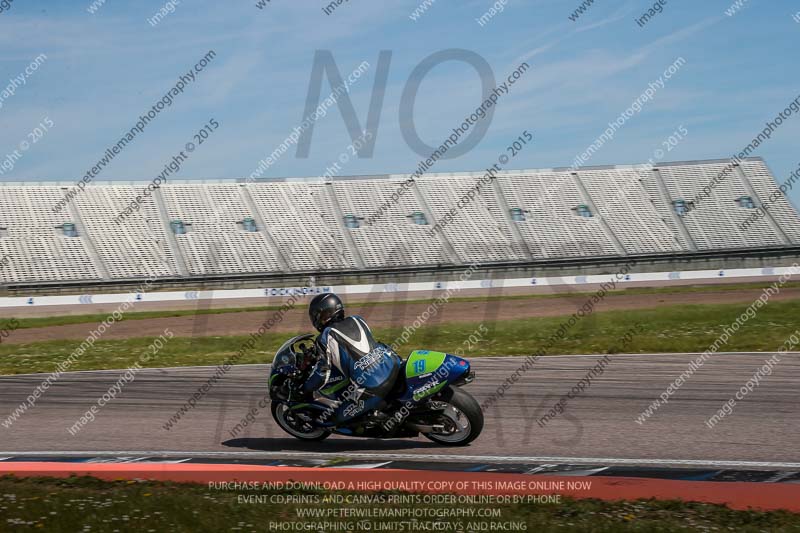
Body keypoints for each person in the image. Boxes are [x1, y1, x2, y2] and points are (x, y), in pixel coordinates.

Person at [302, 293, 400, 424]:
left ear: (323, 315)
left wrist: (306, 388)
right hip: (392, 365)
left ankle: (381, 420)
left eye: (317, 315)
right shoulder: (358, 320)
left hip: (373, 386)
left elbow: (323, 373)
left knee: (336, 419)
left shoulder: (325, 336)